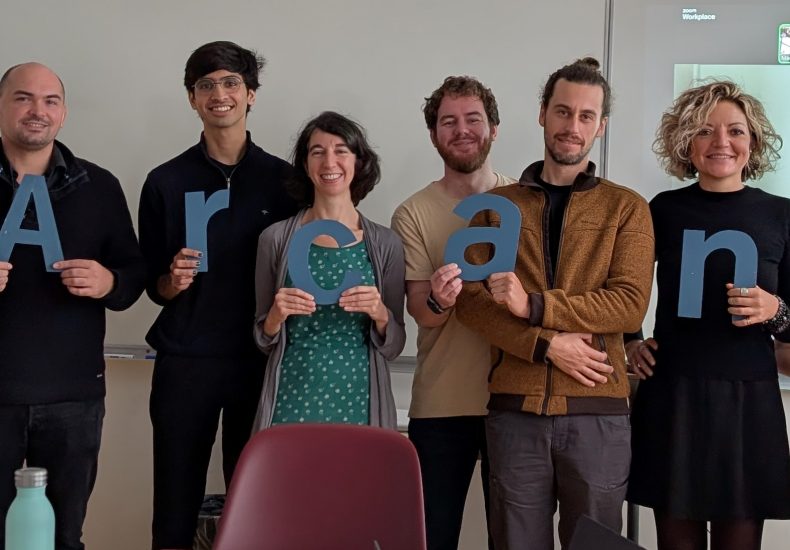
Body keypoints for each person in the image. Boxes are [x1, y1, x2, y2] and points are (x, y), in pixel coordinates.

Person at [455, 58, 655, 549]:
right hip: (515, 413)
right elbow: (471, 303)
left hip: (599, 416)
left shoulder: (627, 207)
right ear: (543, 113)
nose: (573, 126)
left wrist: (536, 307)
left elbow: (628, 305)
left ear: (601, 126)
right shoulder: (498, 208)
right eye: (563, 112)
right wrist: (543, 344)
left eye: (587, 116)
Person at [137, 41, 296, 550]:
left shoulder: (286, 182)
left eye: (230, 83)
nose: (219, 94)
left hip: (260, 360)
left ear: (251, 94)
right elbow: (152, 285)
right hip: (186, 363)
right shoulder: (165, 181)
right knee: (174, 509)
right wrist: (171, 281)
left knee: (256, 506)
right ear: (192, 99)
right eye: (206, 85)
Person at [626, 80, 790, 550]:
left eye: (735, 131)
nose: (721, 143)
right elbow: (624, 286)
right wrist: (630, 341)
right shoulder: (662, 210)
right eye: (704, 131)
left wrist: (776, 310)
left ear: (753, 141)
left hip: (749, 405)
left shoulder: (780, 216)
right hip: (674, 398)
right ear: (685, 143)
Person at [0, 62, 146, 550]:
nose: (37, 111)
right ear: (2, 106)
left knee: (64, 537)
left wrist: (109, 281)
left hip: (74, 397)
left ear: (63, 115)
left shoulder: (98, 186)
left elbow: (132, 278)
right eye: (23, 98)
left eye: (50, 101)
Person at [390, 75, 514, 550]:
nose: (462, 130)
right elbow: (423, 313)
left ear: (494, 128)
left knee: (511, 539)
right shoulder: (414, 212)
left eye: (473, 119)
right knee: (432, 537)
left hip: (514, 402)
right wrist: (441, 298)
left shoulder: (524, 199)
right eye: (449, 122)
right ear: (434, 134)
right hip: (442, 405)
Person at [252, 111, 405, 430]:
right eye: (317, 152)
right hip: (291, 397)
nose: (329, 161)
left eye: (341, 150)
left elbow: (395, 344)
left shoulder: (386, 243)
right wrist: (275, 319)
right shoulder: (276, 239)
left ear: (358, 162)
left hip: (360, 399)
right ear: (306, 165)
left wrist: (379, 313)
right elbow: (262, 340)